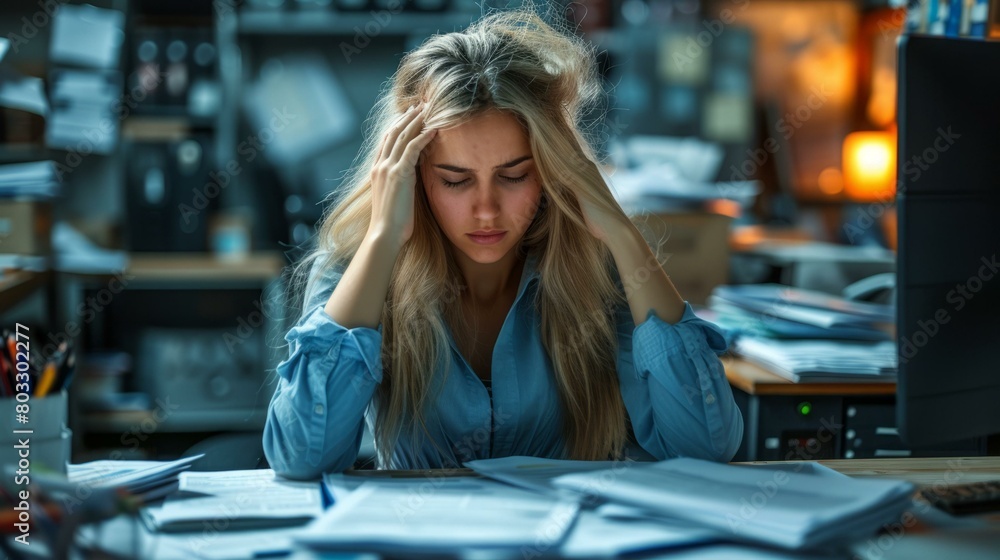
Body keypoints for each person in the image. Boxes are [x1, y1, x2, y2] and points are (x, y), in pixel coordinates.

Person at [263, 7, 743, 479]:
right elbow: (302, 455)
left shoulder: (601, 270)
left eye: (513, 176)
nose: (487, 210)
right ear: (409, 178)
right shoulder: (358, 268)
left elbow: (704, 445)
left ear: (552, 169)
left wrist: (620, 230)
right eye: (455, 181)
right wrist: (384, 238)